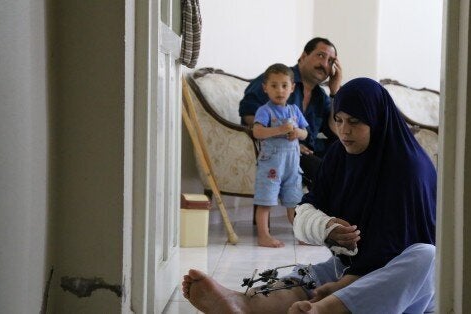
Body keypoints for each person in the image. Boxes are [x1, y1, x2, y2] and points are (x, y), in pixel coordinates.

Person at [182, 78, 437, 313]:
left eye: (355, 122)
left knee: (426, 256)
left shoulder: (409, 167)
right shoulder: (340, 156)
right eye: (339, 120)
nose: (344, 130)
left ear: (377, 119)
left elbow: (396, 248)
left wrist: (345, 283)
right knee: (317, 272)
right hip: (358, 265)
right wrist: (325, 226)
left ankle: (327, 309)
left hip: (407, 282)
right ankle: (245, 304)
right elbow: (309, 207)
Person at [239, 37, 343, 190]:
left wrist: (335, 92)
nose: (324, 64)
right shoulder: (279, 80)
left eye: (330, 61)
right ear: (303, 56)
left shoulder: (321, 96)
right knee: (329, 174)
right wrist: (287, 140)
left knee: (351, 155)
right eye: (320, 55)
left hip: (310, 149)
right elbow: (248, 114)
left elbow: (336, 130)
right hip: (282, 149)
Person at [252, 64, 309, 248]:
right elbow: (257, 132)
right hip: (271, 166)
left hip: (292, 166)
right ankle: (264, 236)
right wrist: (279, 130)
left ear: (292, 87)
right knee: (265, 200)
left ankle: (301, 235)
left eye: (284, 85)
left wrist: (297, 133)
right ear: (265, 88)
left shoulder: (294, 110)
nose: (279, 90)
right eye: (274, 85)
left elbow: (306, 133)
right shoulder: (265, 111)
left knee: (294, 202)